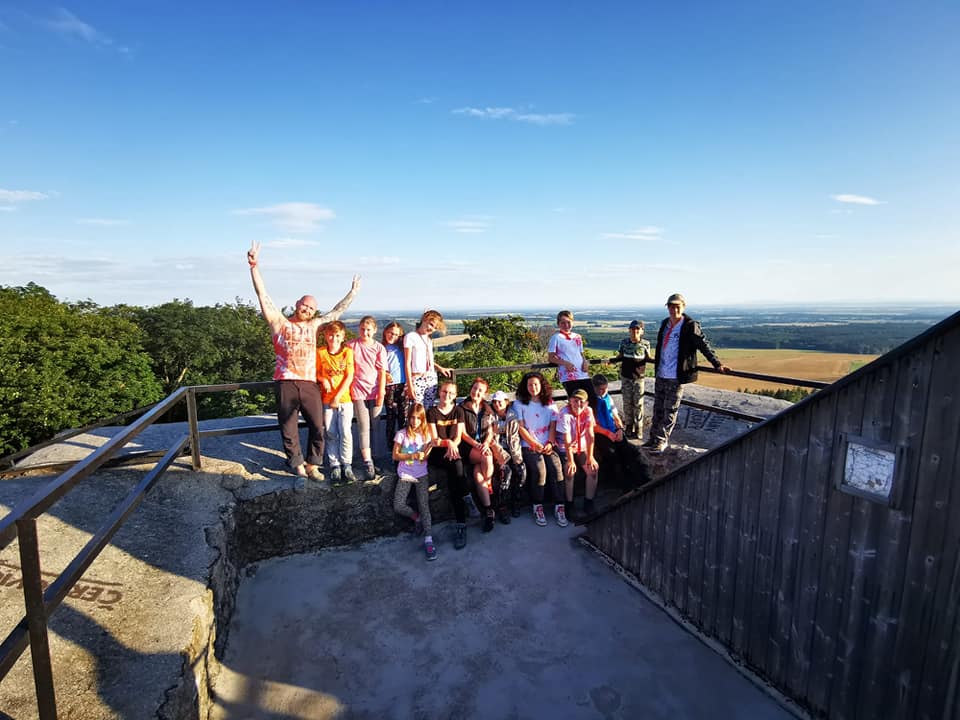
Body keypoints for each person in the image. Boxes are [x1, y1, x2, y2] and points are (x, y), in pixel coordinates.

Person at [246, 241, 359, 479]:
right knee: (288, 428)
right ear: (297, 304)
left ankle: (312, 464)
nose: (307, 309)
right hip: (285, 381)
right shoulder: (279, 323)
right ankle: (296, 464)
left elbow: (336, 312)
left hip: (309, 383)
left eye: (311, 308)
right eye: (304, 305)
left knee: (318, 426)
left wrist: (352, 293)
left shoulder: (314, 325)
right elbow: (262, 295)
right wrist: (254, 267)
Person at [646, 293, 730, 452]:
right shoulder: (665, 323)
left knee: (670, 410)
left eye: (677, 306)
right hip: (661, 373)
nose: (674, 309)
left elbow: (703, 345)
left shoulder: (690, 325)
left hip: (676, 376)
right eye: (671, 306)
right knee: (658, 409)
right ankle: (652, 439)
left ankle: (661, 441)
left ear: (683, 307)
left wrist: (717, 364)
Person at [513, 371, 566, 528]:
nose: (533, 387)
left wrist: (550, 442)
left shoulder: (549, 403)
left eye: (536, 384)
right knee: (539, 469)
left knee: (556, 467)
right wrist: (534, 444)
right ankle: (537, 505)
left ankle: (559, 505)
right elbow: (521, 428)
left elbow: (553, 425)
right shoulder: (519, 404)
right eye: (529, 385)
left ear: (541, 386)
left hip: (547, 443)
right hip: (528, 445)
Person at [391, 403, 437, 561]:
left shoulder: (426, 435)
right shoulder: (401, 434)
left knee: (424, 505)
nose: (415, 421)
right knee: (398, 505)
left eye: (418, 418)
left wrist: (426, 451)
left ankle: (429, 539)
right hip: (405, 474)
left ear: (423, 419)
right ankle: (416, 518)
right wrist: (412, 456)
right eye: (412, 417)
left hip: (421, 474)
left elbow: (426, 456)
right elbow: (395, 455)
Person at [427, 380, 470, 549]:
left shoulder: (458, 411)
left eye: (451, 393)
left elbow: (458, 436)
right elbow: (434, 439)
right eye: (445, 391)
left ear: (455, 395)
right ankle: (467, 496)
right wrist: (449, 443)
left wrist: (453, 445)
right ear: (440, 392)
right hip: (438, 453)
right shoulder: (432, 412)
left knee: (454, 481)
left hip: (453, 451)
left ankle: (461, 524)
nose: (447, 395)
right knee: (457, 467)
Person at [592, 374, 651, 490]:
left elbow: (615, 416)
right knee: (614, 456)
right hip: (601, 433)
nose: (604, 391)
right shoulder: (591, 402)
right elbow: (593, 425)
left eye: (605, 388)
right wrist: (608, 434)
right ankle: (624, 485)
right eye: (601, 389)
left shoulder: (608, 398)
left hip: (613, 430)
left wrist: (620, 429)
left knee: (630, 452)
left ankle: (641, 479)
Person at [316, 321, 355, 483]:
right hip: (326, 399)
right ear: (326, 336)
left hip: (344, 399)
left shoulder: (347, 352)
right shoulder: (320, 353)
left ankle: (347, 463)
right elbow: (316, 372)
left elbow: (349, 376)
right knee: (331, 432)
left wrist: (337, 397)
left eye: (337, 335)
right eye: (331, 335)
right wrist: (323, 379)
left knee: (345, 431)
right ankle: (335, 464)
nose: (334, 338)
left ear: (343, 336)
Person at [349, 316, 387, 480]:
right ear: (359, 328)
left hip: (375, 390)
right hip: (358, 391)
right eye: (363, 329)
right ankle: (367, 461)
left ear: (375, 330)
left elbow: (382, 372)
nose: (365, 332)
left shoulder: (379, 348)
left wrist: (381, 392)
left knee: (376, 425)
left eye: (369, 330)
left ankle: (377, 457)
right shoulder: (351, 346)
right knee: (363, 426)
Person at [458, 377, 498, 533]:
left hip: (482, 446)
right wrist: (478, 445)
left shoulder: (487, 409)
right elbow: (462, 433)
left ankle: (488, 511)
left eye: (480, 390)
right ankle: (489, 485)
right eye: (474, 388)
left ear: (485, 393)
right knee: (487, 457)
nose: (476, 392)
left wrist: (486, 444)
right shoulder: (462, 408)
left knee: (478, 476)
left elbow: (490, 431)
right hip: (468, 447)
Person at [556, 388, 599, 519]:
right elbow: (567, 439)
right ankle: (569, 503)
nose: (578, 404)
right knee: (569, 471)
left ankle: (588, 501)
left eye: (581, 401)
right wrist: (570, 461)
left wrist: (590, 457)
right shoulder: (565, 414)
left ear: (586, 403)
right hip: (565, 447)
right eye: (575, 401)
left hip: (581, 446)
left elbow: (590, 435)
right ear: (570, 401)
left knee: (593, 469)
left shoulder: (588, 411)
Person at [608, 320, 654, 440]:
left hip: (639, 378)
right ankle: (629, 426)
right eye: (632, 329)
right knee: (627, 403)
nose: (635, 332)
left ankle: (639, 428)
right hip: (626, 377)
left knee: (638, 404)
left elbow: (648, 358)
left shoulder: (646, 344)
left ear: (642, 331)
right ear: (629, 330)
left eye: (637, 329)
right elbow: (620, 356)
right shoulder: (624, 343)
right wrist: (610, 361)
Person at [404, 309, 452, 413]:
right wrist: (410, 386)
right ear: (424, 319)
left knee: (429, 411)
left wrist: (439, 368)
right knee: (417, 412)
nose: (432, 329)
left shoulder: (428, 339)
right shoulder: (410, 337)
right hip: (417, 379)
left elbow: (428, 360)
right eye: (431, 324)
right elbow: (407, 363)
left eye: (435, 327)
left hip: (431, 378)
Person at [547, 310, 596, 409]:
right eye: (563, 322)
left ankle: (590, 419)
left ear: (572, 322)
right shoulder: (556, 338)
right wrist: (565, 363)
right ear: (558, 324)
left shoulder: (577, 337)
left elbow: (581, 353)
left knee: (592, 400)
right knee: (576, 403)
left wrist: (585, 362)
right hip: (568, 376)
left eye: (568, 322)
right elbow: (551, 357)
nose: (566, 325)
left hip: (583, 373)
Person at [490, 390, 526, 521]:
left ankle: (516, 503)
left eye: (500, 401)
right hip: (498, 451)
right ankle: (502, 507)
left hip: (512, 450)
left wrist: (517, 458)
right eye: (495, 402)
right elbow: (491, 439)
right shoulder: (490, 416)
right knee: (505, 474)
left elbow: (514, 439)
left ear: (506, 402)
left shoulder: (512, 416)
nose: (497, 404)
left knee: (521, 472)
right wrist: (502, 456)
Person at [381, 321, 407, 450]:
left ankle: (403, 446)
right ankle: (391, 448)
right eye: (391, 333)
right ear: (385, 332)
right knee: (390, 416)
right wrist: (385, 373)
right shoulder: (382, 348)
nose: (393, 336)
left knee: (404, 417)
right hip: (389, 386)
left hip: (403, 384)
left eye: (396, 334)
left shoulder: (402, 347)